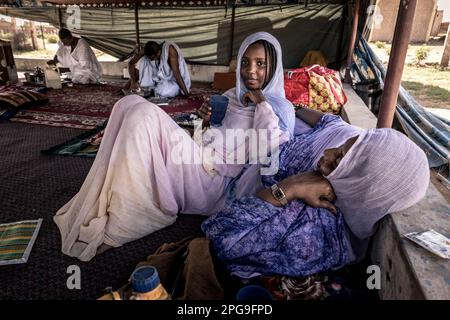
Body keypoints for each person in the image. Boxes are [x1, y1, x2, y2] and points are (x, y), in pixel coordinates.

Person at [53, 32, 295, 261]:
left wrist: (262, 104)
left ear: (274, 67)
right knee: (129, 103)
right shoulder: (233, 94)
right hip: (198, 154)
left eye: (261, 64)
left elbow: (271, 158)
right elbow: (209, 136)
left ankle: (126, 220)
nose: (251, 71)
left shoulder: (280, 109)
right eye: (245, 62)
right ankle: (116, 196)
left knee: (144, 115)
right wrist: (204, 121)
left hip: (215, 182)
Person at [202, 107, 430, 279]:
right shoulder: (337, 161)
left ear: (361, 188)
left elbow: (218, 238)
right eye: (341, 147)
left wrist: (288, 188)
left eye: (338, 159)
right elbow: (329, 121)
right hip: (245, 170)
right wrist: (297, 108)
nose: (327, 154)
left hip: (228, 188)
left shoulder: (312, 231)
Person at [123, 40, 191, 97]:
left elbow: (177, 74)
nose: (151, 60)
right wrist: (132, 82)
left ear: (157, 53)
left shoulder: (170, 51)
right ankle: (148, 88)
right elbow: (131, 63)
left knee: (162, 92)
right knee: (143, 60)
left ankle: (152, 90)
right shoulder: (145, 50)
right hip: (159, 79)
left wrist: (186, 94)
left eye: (152, 58)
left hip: (174, 80)